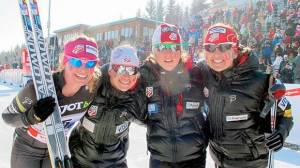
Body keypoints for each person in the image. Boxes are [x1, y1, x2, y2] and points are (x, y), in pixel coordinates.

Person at [200, 23, 293, 168]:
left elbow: (286, 113)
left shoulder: (261, 81)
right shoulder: (205, 74)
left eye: (224, 46)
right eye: (210, 47)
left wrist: (282, 132)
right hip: (219, 160)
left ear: (235, 49)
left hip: (252, 163)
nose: (216, 54)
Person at [1, 36, 100, 168]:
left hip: (56, 149)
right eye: (77, 62)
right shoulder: (37, 89)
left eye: (90, 63)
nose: (84, 69)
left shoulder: (92, 89)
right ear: (65, 61)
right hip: (26, 149)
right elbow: (7, 117)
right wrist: (30, 117)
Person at [139, 23, 208, 168]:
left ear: (180, 49)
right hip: (160, 159)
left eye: (174, 47)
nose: (168, 53)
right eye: (162, 47)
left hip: (194, 158)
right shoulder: (144, 76)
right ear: (153, 50)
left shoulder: (197, 73)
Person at [69, 45, 142, 168]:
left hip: (116, 163)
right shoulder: (92, 84)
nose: (126, 75)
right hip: (81, 162)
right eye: (120, 69)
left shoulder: (138, 95)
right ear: (110, 70)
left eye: (131, 70)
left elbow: (153, 119)